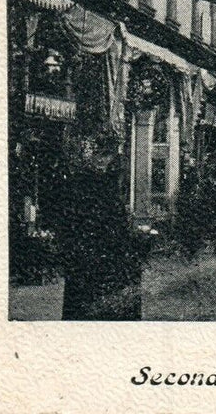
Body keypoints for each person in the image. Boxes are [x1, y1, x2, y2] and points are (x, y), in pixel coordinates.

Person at [51, 133, 151, 320]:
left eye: (106, 156)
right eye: (99, 155)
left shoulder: (105, 183)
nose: (102, 161)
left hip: (98, 257)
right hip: (91, 258)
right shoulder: (84, 184)